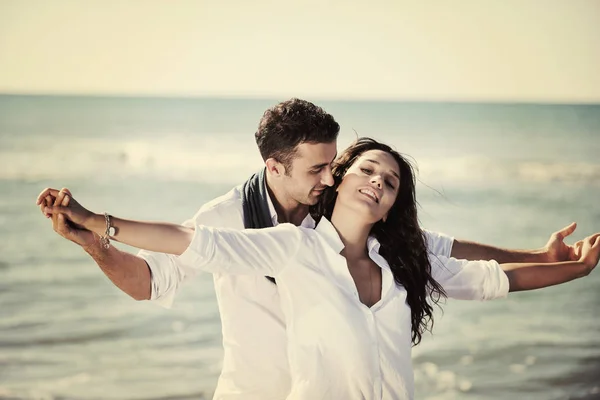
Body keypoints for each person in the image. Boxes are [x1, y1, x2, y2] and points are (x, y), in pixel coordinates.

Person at [37, 99, 586, 400]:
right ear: (275, 167)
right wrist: (96, 236)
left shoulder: (339, 207)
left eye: (335, 162)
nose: (336, 173)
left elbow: (440, 251)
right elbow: (152, 279)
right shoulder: (235, 220)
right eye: (320, 167)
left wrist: (544, 256)